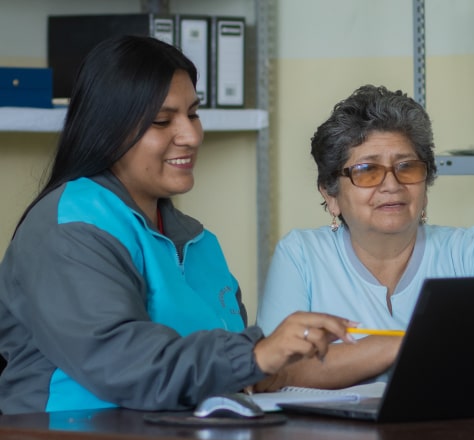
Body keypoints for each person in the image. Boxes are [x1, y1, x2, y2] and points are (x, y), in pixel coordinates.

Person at [0, 36, 355, 415]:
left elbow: (231, 374)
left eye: (194, 114)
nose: (191, 135)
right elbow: (124, 365)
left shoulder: (199, 241)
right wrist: (255, 353)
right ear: (107, 128)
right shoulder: (69, 229)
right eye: (163, 121)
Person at [256, 84, 474, 392]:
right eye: (368, 170)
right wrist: (399, 346)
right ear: (331, 194)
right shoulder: (301, 255)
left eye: (406, 167)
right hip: (327, 439)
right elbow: (273, 373)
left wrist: (359, 354)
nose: (391, 185)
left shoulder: (469, 252)